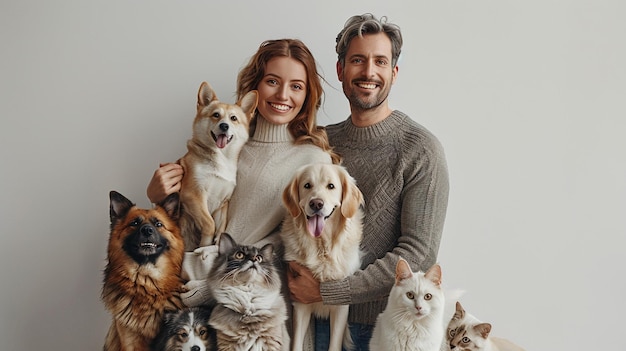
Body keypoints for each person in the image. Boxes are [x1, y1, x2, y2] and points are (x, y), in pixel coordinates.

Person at [286, 13, 450, 351]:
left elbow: (417, 253)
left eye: (380, 62)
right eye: (357, 60)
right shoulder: (320, 145)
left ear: (394, 72)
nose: (369, 72)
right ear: (340, 70)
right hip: (314, 324)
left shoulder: (421, 149)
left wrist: (328, 291)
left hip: (385, 329)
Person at [146, 38, 339, 306]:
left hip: (249, 298)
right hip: (183, 284)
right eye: (272, 81)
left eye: (296, 86)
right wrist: (156, 196)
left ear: (307, 96)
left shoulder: (313, 160)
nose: (283, 95)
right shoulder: (222, 143)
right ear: (255, 86)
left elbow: (293, 240)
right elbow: (188, 212)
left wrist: (214, 286)